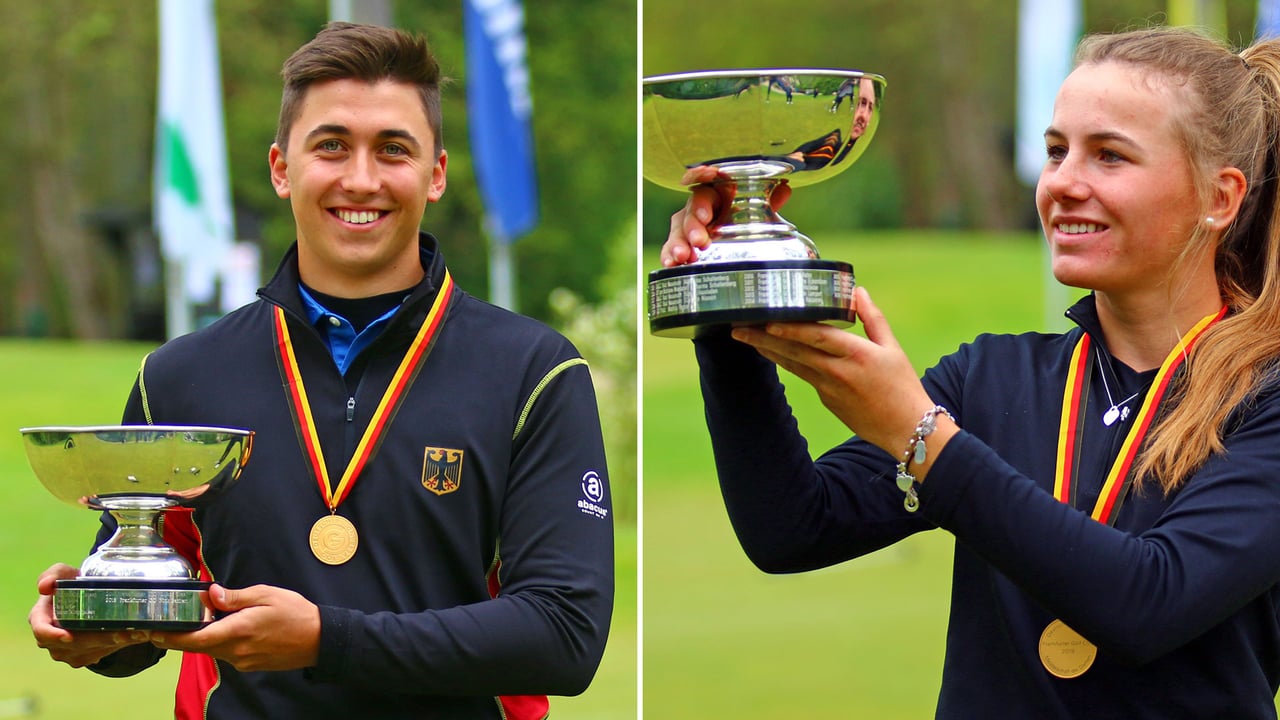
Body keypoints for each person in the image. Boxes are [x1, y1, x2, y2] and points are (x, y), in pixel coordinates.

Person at [663, 26, 1280, 718]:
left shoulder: (1265, 401)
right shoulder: (991, 378)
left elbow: (1150, 601)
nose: (1063, 183)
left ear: (1220, 198)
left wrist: (919, 436)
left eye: (1110, 156)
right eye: (1056, 151)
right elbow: (792, 528)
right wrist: (726, 306)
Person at [29, 22, 614, 720]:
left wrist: (327, 640)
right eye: (331, 145)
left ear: (436, 175)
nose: (360, 178)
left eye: (392, 150)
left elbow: (564, 637)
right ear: (282, 167)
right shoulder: (180, 376)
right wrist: (95, 630)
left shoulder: (534, 373)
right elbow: (156, 602)